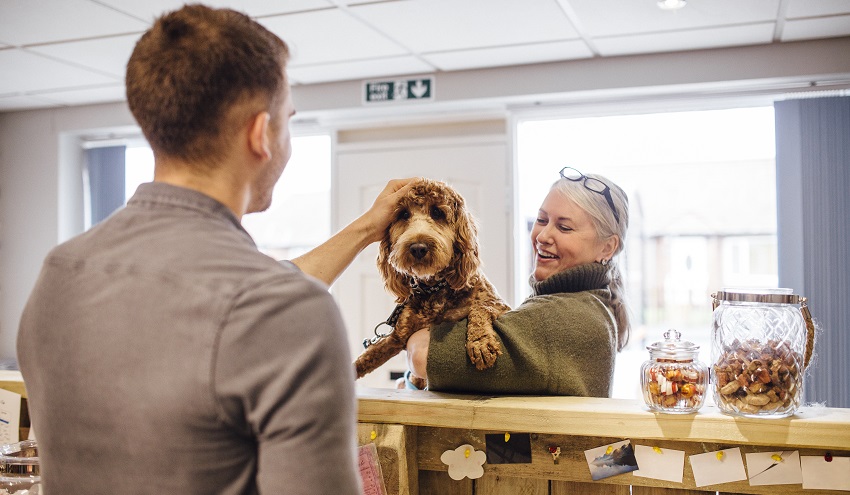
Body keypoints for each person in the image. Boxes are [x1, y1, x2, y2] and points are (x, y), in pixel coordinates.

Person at [16, 5, 411, 494]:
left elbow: (235, 302)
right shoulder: (286, 312)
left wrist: (364, 230)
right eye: (287, 121)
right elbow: (257, 307)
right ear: (259, 133)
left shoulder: (61, 273)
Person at [405, 167, 630, 397]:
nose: (542, 236)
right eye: (541, 220)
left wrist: (414, 336)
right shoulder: (591, 304)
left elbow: (422, 355)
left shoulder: (564, 317)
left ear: (607, 247)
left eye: (564, 227)